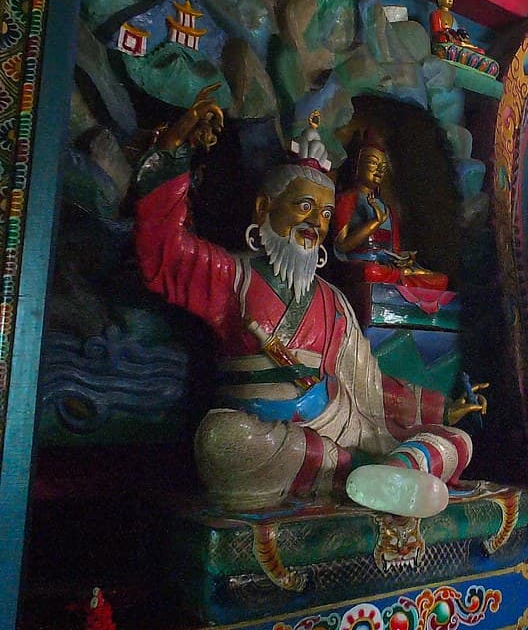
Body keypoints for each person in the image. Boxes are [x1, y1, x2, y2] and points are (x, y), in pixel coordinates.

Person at [133, 86, 484, 517]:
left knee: (458, 438)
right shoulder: (233, 275)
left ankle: (386, 469)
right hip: (273, 437)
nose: (314, 224)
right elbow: (164, 251)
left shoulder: (332, 300)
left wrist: (442, 407)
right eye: (304, 206)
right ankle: (374, 473)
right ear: (264, 208)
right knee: (221, 440)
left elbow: (369, 386)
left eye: (322, 214)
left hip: (341, 424)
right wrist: (171, 153)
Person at [333, 137, 448, 290]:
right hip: (363, 263)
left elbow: (393, 251)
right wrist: (375, 222)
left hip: (388, 267)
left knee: (441, 279)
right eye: (373, 163)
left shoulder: (388, 208)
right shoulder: (347, 199)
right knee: (371, 271)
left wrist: (404, 258)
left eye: (383, 166)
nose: (380, 170)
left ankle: (402, 277)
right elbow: (341, 246)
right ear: (357, 165)